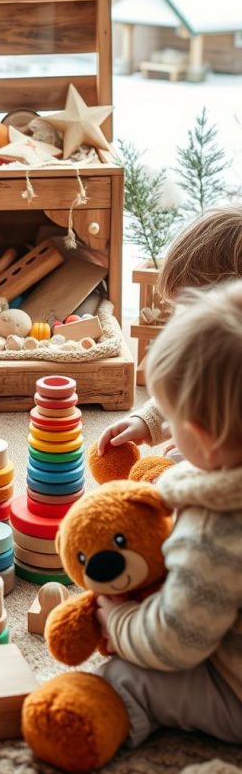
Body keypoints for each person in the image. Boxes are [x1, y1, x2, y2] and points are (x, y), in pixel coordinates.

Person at [96, 280, 242, 747]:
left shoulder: (213, 529)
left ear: (201, 432)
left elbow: (173, 641)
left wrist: (116, 621)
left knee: (122, 676)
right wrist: (154, 420)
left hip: (235, 692)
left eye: (175, 424)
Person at [98, 206, 242, 454]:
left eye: (192, 309)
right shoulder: (211, 344)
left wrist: (211, 448)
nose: (186, 323)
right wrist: (146, 422)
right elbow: (185, 387)